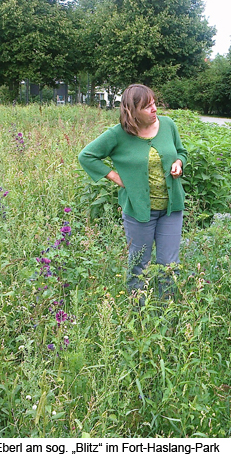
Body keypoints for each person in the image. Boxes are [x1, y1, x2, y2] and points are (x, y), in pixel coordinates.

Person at [78, 84, 187, 303]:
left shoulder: (168, 125)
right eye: (147, 107)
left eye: (154, 103)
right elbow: (87, 155)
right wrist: (116, 177)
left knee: (169, 266)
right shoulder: (118, 134)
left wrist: (178, 162)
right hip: (138, 211)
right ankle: (138, 312)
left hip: (170, 209)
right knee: (139, 264)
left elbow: (182, 152)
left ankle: (168, 312)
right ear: (132, 112)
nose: (154, 109)